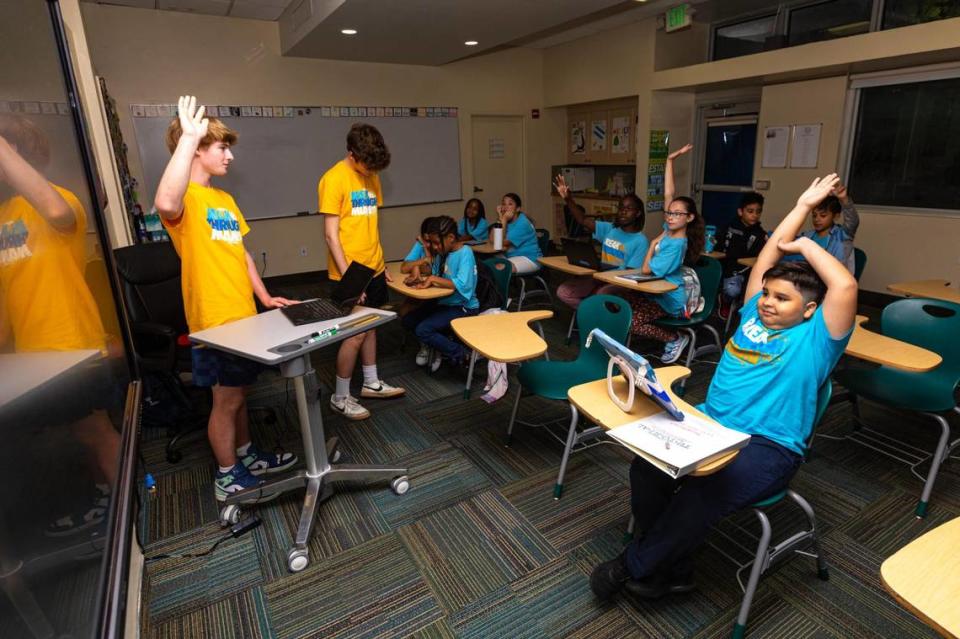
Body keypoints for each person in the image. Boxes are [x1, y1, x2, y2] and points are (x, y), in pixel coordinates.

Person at [589, 173, 857, 602]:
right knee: (647, 467)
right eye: (767, 292)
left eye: (782, 299)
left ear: (809, 310)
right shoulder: (752, 312)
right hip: (710, 426)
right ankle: (672, 566)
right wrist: (802, 207)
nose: (768, 301)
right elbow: (769, 257)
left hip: (768, 445)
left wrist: (805, 243)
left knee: (703, 491)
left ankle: (633, 564)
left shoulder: (818, 337)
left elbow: (844, 285)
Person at [154, 96, 298, 501]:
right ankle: (227, 476)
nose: (230, 156)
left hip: (242, 312)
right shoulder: (185, 200)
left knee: (240, 393)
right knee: (225, 399)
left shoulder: (224, 200)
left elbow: (243, 253)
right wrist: (188, 137)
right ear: (197, 149)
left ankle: (246, 454)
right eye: (221, 147)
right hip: (214, 321)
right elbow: (165, 202)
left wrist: (265, 297)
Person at [0, 113, 121, 534]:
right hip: (32, 355)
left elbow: (54, 209)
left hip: (74, 345)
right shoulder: (3, 218)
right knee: (76, 433)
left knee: (94, 429)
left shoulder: (59, 199)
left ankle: (128, 515)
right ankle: (105, 497)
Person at [318, 122, 405, 421]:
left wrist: (382, 265)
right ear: (352, 154)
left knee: (372, 326)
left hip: (374, 267)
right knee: (354, 334)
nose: (370, 170)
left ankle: (371, 382)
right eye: (367, 165)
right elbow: (331, 235)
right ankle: (340, 397)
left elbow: (371, 225)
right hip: (350, 272)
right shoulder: (334, 179)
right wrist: (350, 279)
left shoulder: (372, 175)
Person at [626, 143, 703, 363]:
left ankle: (674, 338)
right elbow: (669, 193)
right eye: (669, 213)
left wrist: (652, 245)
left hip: (671, 302)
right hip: (656, 293)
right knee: (621, 302)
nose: (670, 216)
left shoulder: (677, 245)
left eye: (677, 214)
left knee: (633, 321)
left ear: (689, 218)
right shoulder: (670, 230)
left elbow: (647, 269)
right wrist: (669, 160)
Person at [553, 174, 648, 309]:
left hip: (619, 283)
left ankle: (594, 314)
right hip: (599, 276)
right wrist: (568, 199)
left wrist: (606, 278)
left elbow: (629, 275)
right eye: (621, 208)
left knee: (599, 296)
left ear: (638, 213)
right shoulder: (611, 229)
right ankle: (589, 314)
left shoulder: (640, 241)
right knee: (563, 292)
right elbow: (582, 220)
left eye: (628, 209)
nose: (623, 212)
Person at [401, 216, 479, 372]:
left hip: (463, 307)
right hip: (444, 302)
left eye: (437, 243)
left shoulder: (465, 253)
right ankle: (436, 345)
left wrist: (432, 278)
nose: (435, 247)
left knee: (423, 330)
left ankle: (462, 354)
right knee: (408, 319)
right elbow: (434, 273)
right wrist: (417, 274)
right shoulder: (444, 253)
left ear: (450, 238)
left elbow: (462, 284)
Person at [716, 192, 767, 319]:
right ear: (740, 212)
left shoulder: (760, 233)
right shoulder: (728, 228)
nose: (755, 215)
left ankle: (744, 311)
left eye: (758, 211)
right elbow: (719, 249)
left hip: (750, 272)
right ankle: (725, 300)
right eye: (750, 211)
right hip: (730, 270)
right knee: (732, 290)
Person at [788, 184, 859, 275]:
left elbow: (853, 221)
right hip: (808, 279)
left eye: (823, 215)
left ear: (836, 216)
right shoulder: (807, 236)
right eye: (814, 215)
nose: (817, 219)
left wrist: (844, 199)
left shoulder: (842, 235)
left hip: (833, 280)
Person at [496, 192, 542, 274]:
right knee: (487, 262)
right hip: (511, 256)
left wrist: (503, 220)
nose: (506, 207)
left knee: (499, 268)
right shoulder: (506, 221)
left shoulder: (523, 223)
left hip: (529, 258)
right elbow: (494, 240)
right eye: (503, 204)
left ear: (517, 209)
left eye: (510, 204)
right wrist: (500, 218)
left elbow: (500, 243)